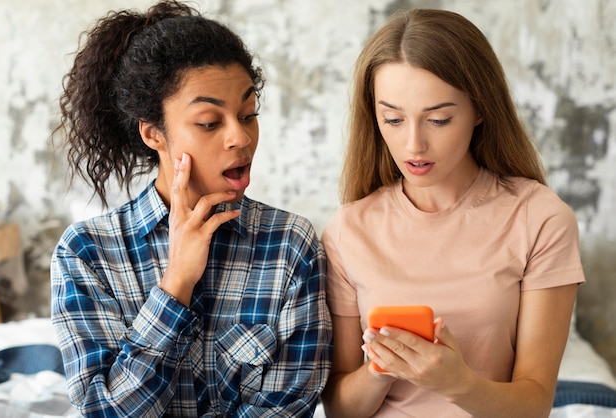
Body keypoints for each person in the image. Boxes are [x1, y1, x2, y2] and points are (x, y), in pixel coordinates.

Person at [50, 1, 331, 416]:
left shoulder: (290, 244)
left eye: (248, 114)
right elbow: (104, 411)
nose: (241, 138)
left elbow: (287, 406)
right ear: (153, 133)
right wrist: (176, 282)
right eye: (209, 122)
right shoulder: (87, 253)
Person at [320, 8, 584, 418]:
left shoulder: (540, 219)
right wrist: (380, 370)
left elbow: (534, 404)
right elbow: (339, 407)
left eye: (439, 119)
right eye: (392, 118)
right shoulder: (347, 230)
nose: (413, 145)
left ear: (481, 111)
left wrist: (457, 383)